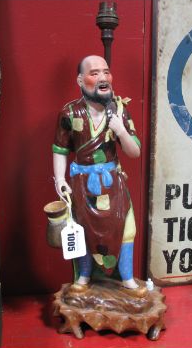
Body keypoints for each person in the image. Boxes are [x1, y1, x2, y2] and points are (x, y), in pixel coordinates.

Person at [52, 55, 147, 297]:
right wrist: (60, 180)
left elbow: (134, 152)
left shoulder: (120, 111)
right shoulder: (70, 113)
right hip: (82, 186)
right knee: (82, 229)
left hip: (112, 184)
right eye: (95, 73)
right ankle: (84, 275)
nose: (103, 78)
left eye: (106, 72)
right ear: (81, 80)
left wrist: (121, 131)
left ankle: (126, 278)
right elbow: (60, 150)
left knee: (127, 229)